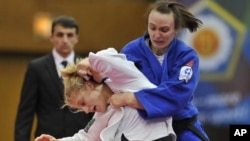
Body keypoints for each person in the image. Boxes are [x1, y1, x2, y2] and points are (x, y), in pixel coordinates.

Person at [108, 1, 210, 141]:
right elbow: (114, 82)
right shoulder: (130, 52)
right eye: (152, 28)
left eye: (164, 30)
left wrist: (132, 98)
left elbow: (176, 94)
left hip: (181, 126)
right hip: (143, 129)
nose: (156, 35)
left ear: (176, 28)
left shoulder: (187, 56)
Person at [34, 48, 176, 141]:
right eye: (80, 109)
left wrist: (85, 62)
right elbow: (85, 138)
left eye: (82, 102)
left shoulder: (125, 79)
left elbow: (109, 56)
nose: (86, 110)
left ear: (89, 85)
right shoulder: (103, 113)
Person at [15, 16, 93, 141]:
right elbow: (25, 112)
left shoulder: (87, 66)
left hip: (79, 136)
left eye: (70, 35)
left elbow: (94, 108)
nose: (65, 40)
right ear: (52, 37)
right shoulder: (36, 68)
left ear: (77, 38)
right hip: (46, 137)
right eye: (60, 35)